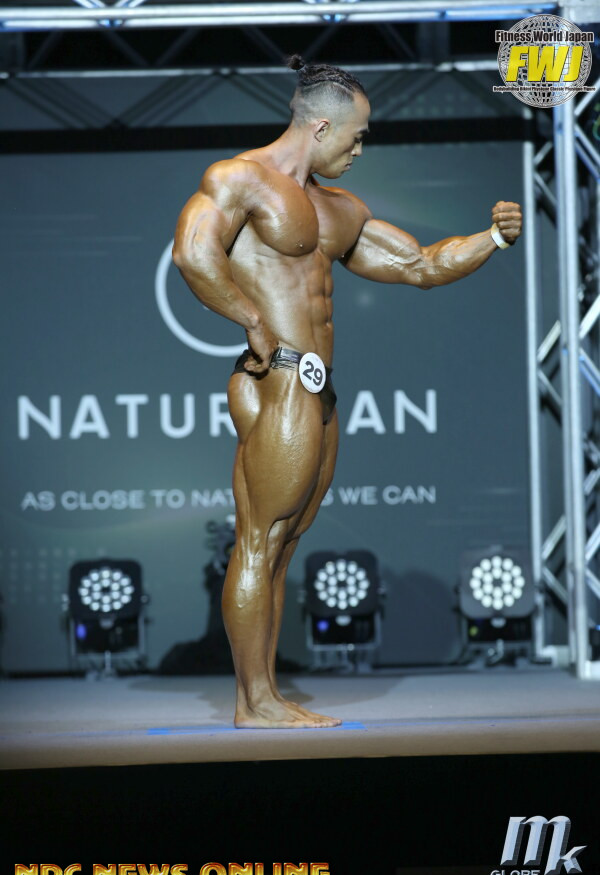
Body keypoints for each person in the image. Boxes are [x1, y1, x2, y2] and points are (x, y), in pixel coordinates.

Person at [172, 55, 522, 728]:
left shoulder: (339, 209)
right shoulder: (239, 178)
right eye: (357, 137)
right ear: (321, 126)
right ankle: (254, 702)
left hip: (319, 390)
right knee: (260, 537)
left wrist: (492, 239)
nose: (361, 150)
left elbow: (420, 265)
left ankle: (266, 694)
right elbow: (192, 252)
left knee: (285, 544)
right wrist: (251, 320)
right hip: (276, 380)